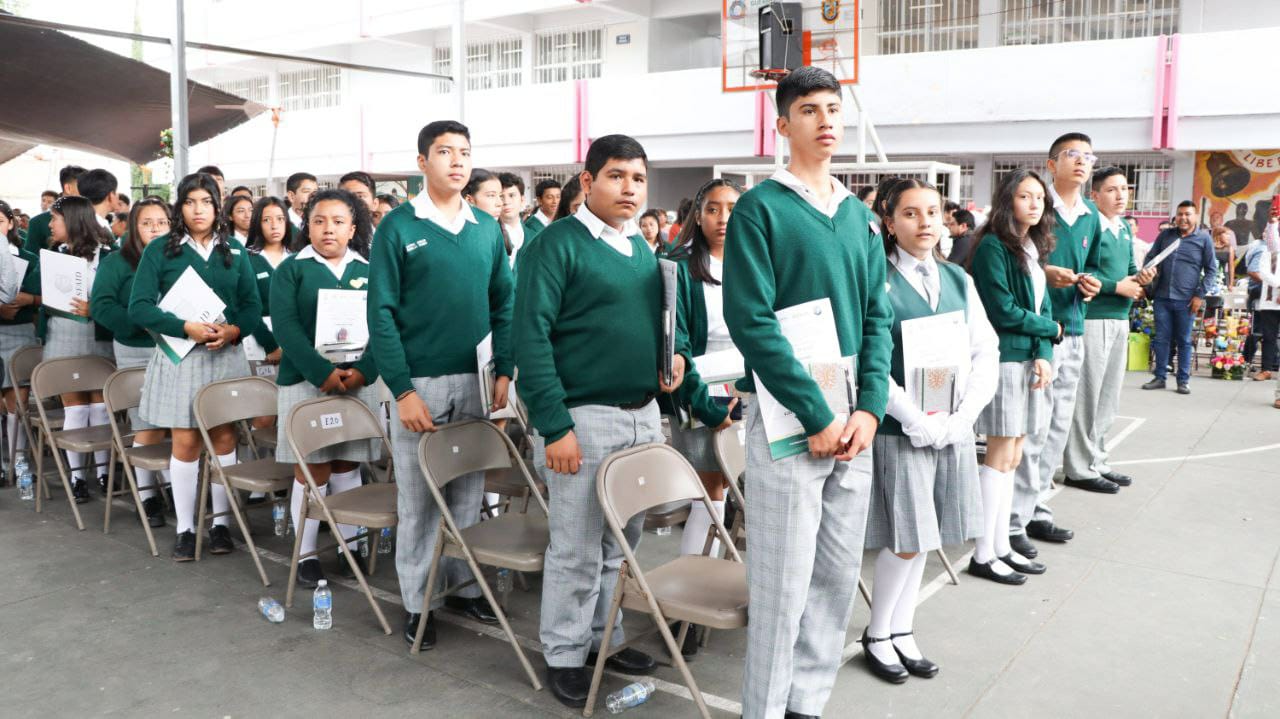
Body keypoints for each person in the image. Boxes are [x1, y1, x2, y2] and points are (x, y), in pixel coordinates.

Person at [723, 66, 892, 719]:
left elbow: (877, 319)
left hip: (852, 413)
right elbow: (752, 321)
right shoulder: (761, 208)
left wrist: (870, 407)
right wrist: (816, 412)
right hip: (789, 411)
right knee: (782, 583)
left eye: (834, 109)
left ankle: (806, 703)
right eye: (810, 110)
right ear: (783, 123)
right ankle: (764, 709)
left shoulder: (858, 216)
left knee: (835, 575)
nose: (826, 120)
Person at [513, 133, 686, 708]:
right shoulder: (555, 245)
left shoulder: (639, 246)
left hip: (641, 416)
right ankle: (564, 654)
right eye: (616, 176)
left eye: (638, 179)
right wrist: (554, 425)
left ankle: (601, 638)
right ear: (587, 182)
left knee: (620, 544)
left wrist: (677, 358)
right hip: (582, 420)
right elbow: (530, 338)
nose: (629, 188)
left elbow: (662, 323)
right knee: (577, 547)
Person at [368, 120, 511, 650]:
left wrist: (506, 367)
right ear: (422, 162)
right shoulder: (397, 227)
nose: (457, 161)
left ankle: (465, 586)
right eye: (445, 152)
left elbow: (504, 301)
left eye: (465, 152)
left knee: (469, 491)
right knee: (421, 500)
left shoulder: (485, 227)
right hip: (420, 384)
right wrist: (402, 390)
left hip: (477, 379)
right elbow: (381, 313)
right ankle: (419, 602)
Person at [862, 177, 998, 684]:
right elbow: (871, 361)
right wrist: (914, 419)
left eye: (933, 213)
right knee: (905, 536)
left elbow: (986, 349)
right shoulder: (876, 280)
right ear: (889, 222)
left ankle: (902, 628)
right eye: (911, 213)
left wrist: (962, 419)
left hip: (951, 428)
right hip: (901, 430)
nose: (925, 223)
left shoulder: (958, 279)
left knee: (928, 533)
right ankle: (878, 632)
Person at [129, 172, 261, 561]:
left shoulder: (234, 249)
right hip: (182, 356)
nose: (198, 210)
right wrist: (184, 327)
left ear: (218, 206)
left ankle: (220, 523)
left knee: (224, 438)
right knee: (185, 441)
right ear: (179, 207)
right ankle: (185, 528)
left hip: (225, 355)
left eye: (206, 201)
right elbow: (139, 307)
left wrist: (234, 330)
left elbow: (252, 306)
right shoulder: (160, 250)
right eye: (190, 202)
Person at [272, 188, 379, 586]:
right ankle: (306, 553)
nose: (328, 229)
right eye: (318, 221)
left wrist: (365, 370)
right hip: (306, 382)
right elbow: (286, 328)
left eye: (338, 221)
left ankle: (350, 545)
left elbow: (384, 325)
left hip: (356, 382)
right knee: (312, 468)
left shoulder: (369, 270)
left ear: (353, 228)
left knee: (348, 463)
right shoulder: (292, 269)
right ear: (307, 226)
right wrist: (322, 373)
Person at [1008, 132, 1103, 559]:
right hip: (1041, 333)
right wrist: (1046, 273)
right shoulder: (1035, 205)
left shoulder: (1090, 215)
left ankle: (1037, 508)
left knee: (1057, 427)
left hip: (1075, 328)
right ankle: (1013, 517)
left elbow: (1094, 263)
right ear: (1052, 164)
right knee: (1032, 427)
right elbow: (1015, 258)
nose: (1082, 162)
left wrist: (1092, 282)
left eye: (1088, 156)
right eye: (1072, 154)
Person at [965, 168, 1062, 585]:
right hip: (1004, 360)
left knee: (1014, 456)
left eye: (1039, 197)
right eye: (1025, 196)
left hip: (1028, 360)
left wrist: (1044, 351)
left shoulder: (1029, 246)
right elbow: (1002, 311)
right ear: (1008, 200)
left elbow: (1043, 307)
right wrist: (1051, 332)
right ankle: (983, 553)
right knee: (999, 456)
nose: (1034, 203)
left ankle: (1001, 545)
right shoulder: (992, 245)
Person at [659, 178, 743, 659]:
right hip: (700, 394)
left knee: (732, 496)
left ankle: (713, 589)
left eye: (732, 208)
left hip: (748, 391)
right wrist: (709, 409)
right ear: (698, 214)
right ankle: (683, 608)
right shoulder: (679, 266)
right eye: (713, 208)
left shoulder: (755, 261)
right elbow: (678, 346)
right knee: (707, 497)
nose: (724, 217)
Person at [1063, 168, 1154, 494]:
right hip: (1094, 319)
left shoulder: (1125, 229)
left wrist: (1141, 279)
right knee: (1087, 397)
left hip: (1119, 318)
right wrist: (1118, 287)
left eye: (1124, 189)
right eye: (1112, 190)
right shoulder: (1089, 225)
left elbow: (1129, 271)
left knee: (1109, 396)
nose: (1120, 195)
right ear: (1095, 195)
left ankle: (1097, 459)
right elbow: (1080, 274)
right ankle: (1078, 467)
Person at [90, 197, 171, 527]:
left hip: (177, 349)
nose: (155, 229)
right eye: (147, 223)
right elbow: (102, 306)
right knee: (145, 422)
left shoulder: (178, 258)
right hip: (136, 349)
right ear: (134, 227)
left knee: (177, 421)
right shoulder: (116, 262)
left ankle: (173, 483)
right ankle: (147, 495)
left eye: (162, 222)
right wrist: (142, 322)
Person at [44, 196, 115, 501]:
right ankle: (77, 478)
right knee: (74, 408)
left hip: (98, 335)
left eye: (55, 218)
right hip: (63, 335)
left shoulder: (108, 255)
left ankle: (103, 472)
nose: (50, 225)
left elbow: (117, 298)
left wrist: (95, 308)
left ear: (72, 220)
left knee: (100, 407)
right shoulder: (53, 255)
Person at [1141, 201, 1216, 394]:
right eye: (1180, 214)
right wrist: (1150, 270)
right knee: (1161, 339)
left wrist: (1199, 295)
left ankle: (1183, 380)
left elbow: (1211, 271)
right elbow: (1150, 258)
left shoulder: (1204, 239)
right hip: (1162, 297)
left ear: (1195, 216)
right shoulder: (1166, 235)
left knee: (1184, 341)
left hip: (1187, 301)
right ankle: (1159, 377)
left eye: (1188, 214)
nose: (1183, 218)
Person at [0, 200, 40, 477]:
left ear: (11, 223)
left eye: (0, 222)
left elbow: (45, 296)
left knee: (19, 404)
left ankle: (20, 463)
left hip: (21, 333)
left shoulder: (30, 258)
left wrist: (29, 300)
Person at [246, 196, 293, 366]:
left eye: (280, 219)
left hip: (297, 341)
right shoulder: (247, 258)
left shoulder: (298, 258)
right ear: (257, 224)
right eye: (267, 220)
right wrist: (269, 345)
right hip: (260, 343)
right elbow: (246, 306)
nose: (274, 225)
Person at [27, 165, 85, 250]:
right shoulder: (37, 222)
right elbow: (31, 255)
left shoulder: (90, 218)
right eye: (84, 187)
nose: (89, 191)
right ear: (68, 188)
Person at [78, 169, 119, 233]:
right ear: (110, 195)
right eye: (115, 192)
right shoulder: (100, 229)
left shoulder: (78, 224)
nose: (118, 196)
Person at [496, 172, 526, 261]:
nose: (506, 202)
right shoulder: (490, 236)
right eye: (501, 196)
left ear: (522, 199)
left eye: (512, 195)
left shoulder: (535, 235)